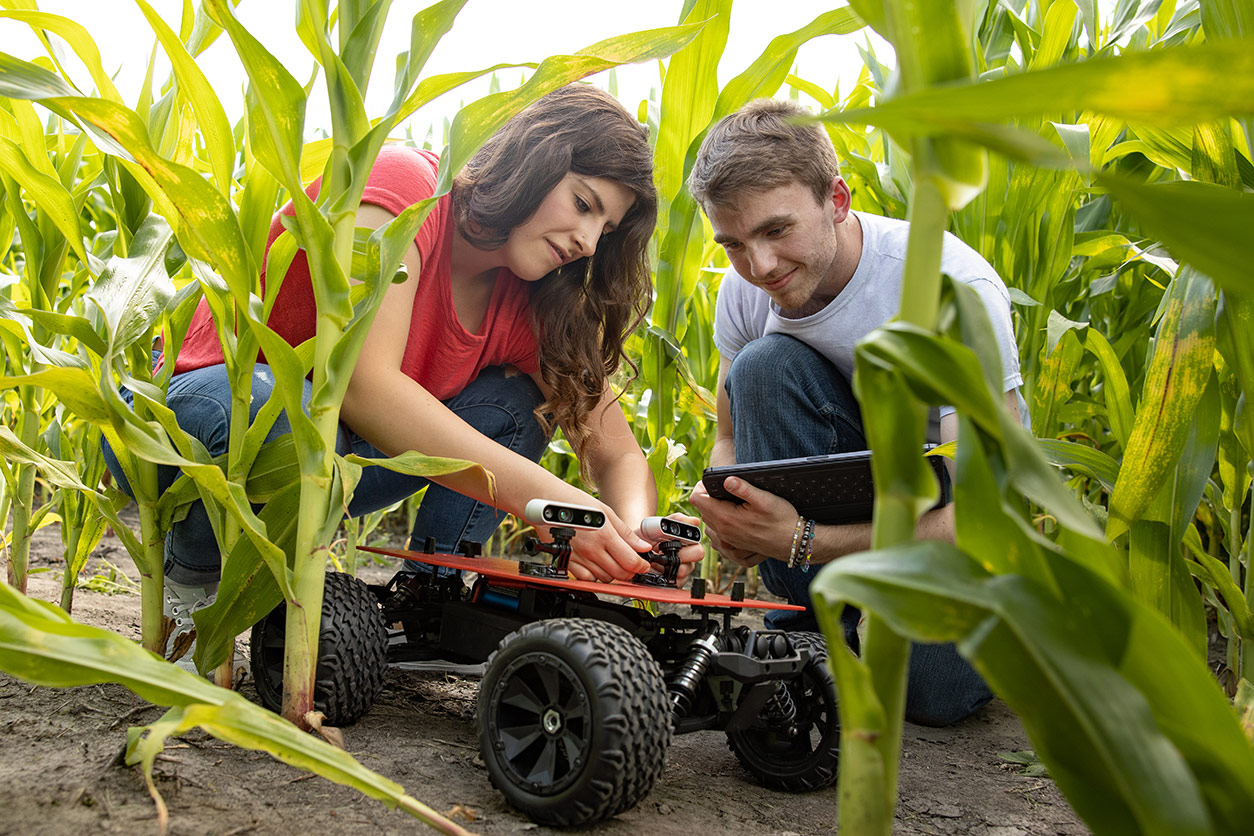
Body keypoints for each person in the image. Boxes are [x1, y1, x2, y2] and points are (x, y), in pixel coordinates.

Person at [103, 84, 701, 666]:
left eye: (607, 230)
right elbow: (364, 387)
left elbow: (617, 453)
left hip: (337, 466)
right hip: (196, 433)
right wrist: (558, 504)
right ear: (535, 160)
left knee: (517, 406)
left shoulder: (532, 304)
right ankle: (194, 585)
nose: (589, 242)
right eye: (583, 203)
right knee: (281, 408)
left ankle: (430, 604)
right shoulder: (404, 189)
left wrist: (633, 537)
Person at [686, 99, 1025, 727]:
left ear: (836, 200)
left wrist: (802, 542)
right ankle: (823, 637)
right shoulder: (744, 290)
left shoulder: (949, 290)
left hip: (944, 517)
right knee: (763, 365)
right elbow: (729, 439)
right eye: (733, 243)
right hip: (837, 499)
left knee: (932, 698)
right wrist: (732, 515)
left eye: (776, 231)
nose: (759, 266)